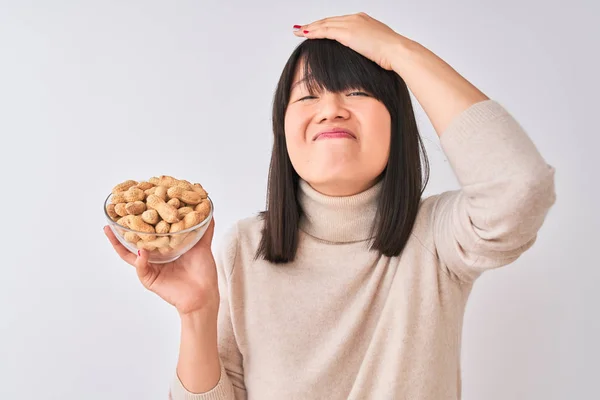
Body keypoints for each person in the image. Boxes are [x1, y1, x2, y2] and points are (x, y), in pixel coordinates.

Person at [104, 12, 556, 400]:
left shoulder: (438, 238)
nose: (332, 109)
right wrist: (196, 313)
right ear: (283, 132)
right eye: (309, 95)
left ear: (397, 125)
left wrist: (400, 51)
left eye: (358, 92)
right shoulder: (243, 247)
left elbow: (520, 188)